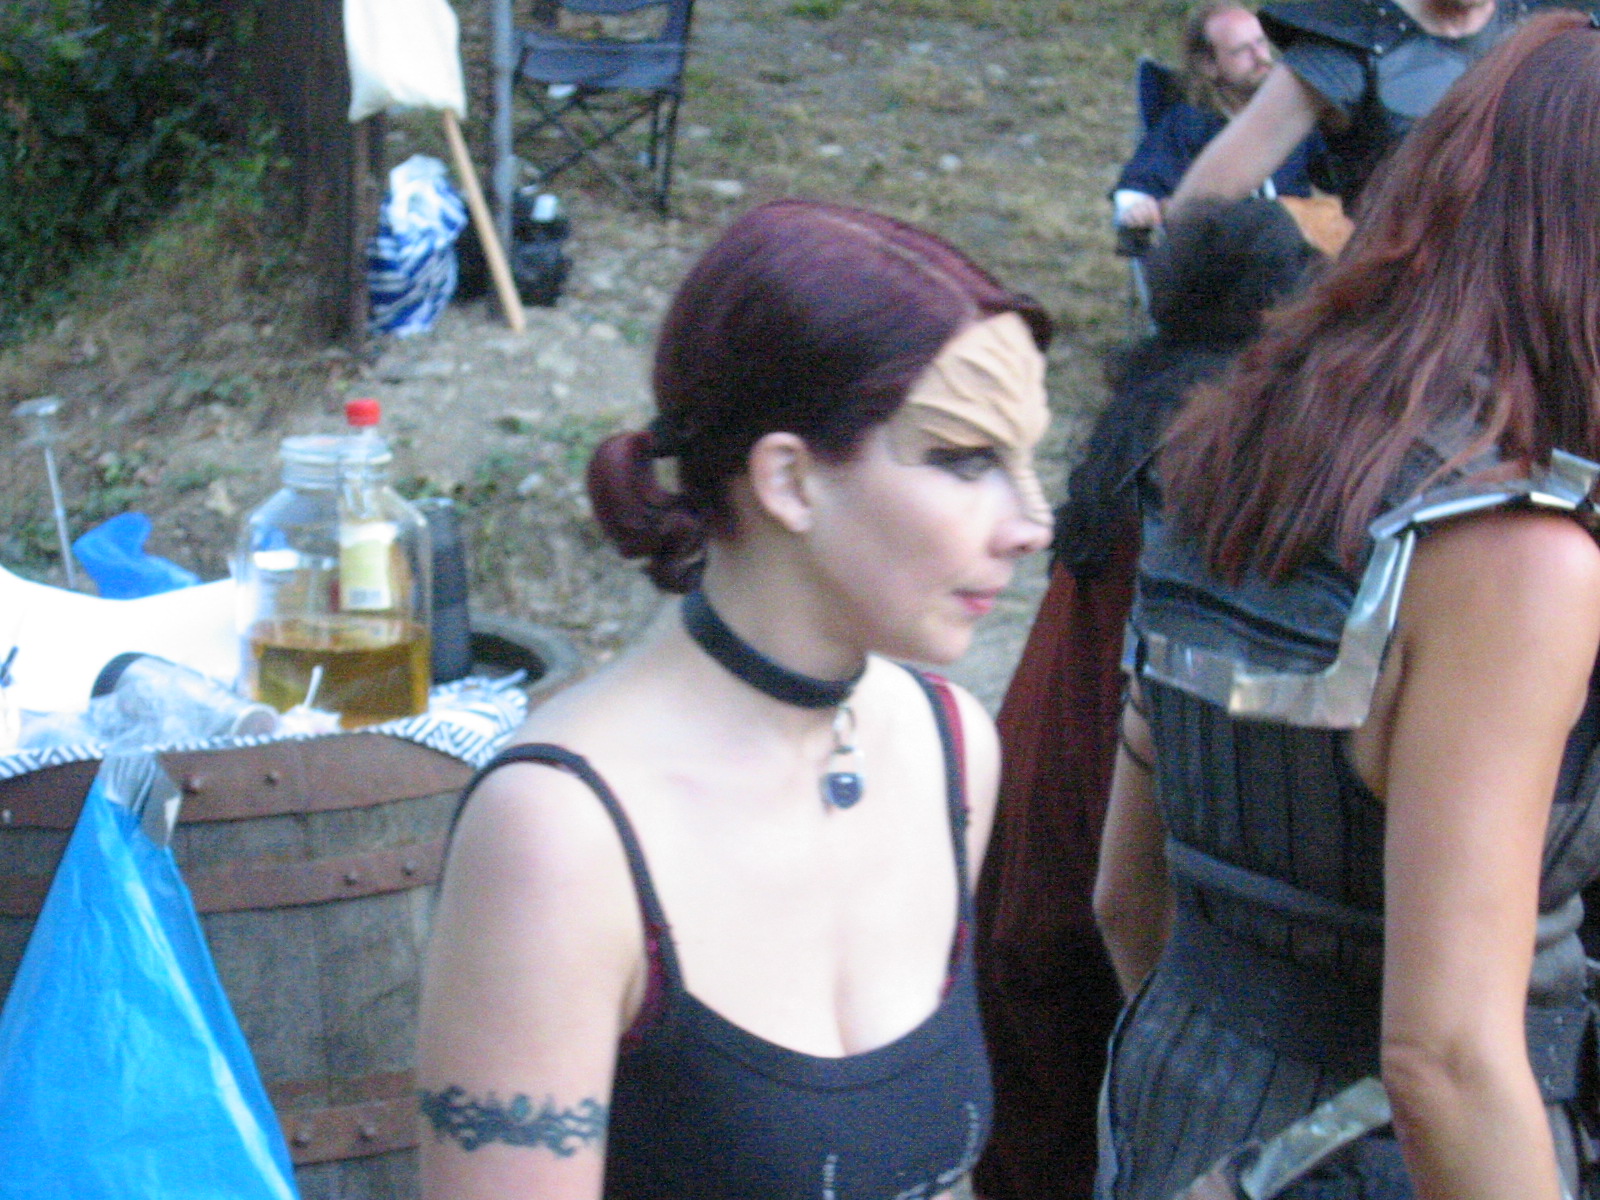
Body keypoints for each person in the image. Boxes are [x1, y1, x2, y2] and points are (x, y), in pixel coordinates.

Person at [415, 199, 1055, 1200]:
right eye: (966, 459)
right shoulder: (561, 833)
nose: (1032, 521)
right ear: (789, 481)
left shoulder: (948, 750)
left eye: (1026, 458)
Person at [1095, 13, 1600, 1200]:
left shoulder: (1231, 436)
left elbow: (1124, 897)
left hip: (1170, 1121)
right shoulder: (1516, 558)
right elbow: (1447, 1064)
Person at [974, 198, 1320, 1200]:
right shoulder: (1211, 444)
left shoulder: (1151, 402)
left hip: (1037, 790)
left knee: (1033, 1098)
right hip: (1101, 810)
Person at [1168, 0, 1588, 212]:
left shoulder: (1560, 24)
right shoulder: (1347, 47)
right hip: (1413, 310)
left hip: (1548, 294)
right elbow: (1201, 201)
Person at [1113, 2, 1326, 232]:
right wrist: (1138, 209)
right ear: (1208, 65)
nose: (1260, 57)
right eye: (1241, 50)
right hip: (1225, 246)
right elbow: (1140, 185)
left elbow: (1337, 172)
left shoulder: (1290, 114)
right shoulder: (1189, 124)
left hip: (1299, 244)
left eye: (1261, 42)